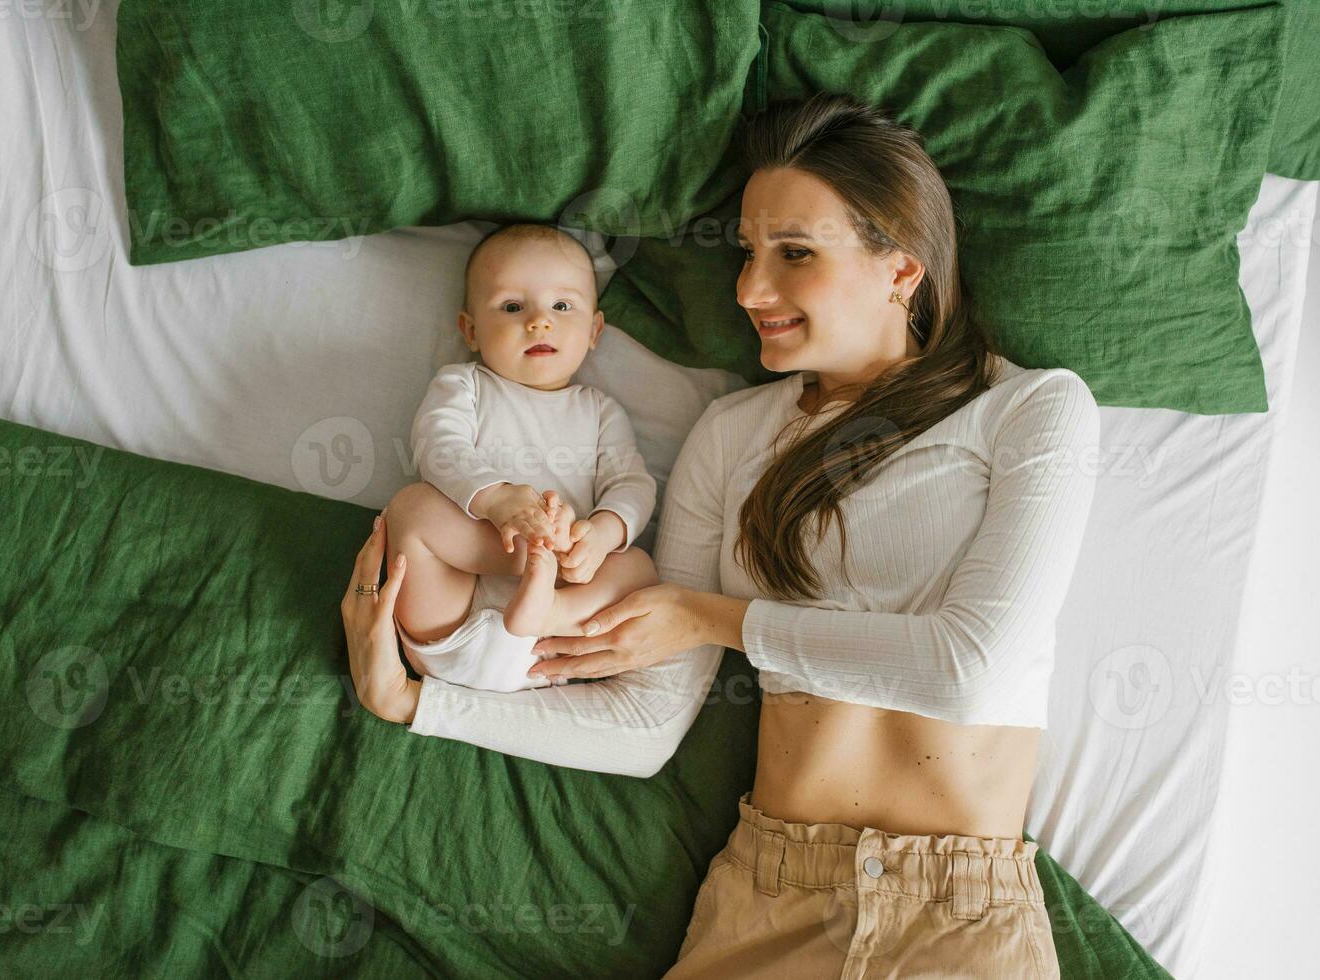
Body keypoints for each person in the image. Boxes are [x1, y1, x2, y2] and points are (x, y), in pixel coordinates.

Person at [341, 92, 1099, 976]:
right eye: (745, 253)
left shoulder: (1033, 410)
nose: (748, 289)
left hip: (956, 920)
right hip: (764, 902)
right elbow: (643, 723)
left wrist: (714, 619)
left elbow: (970, 671)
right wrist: (415, 704)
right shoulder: (732, 434)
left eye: (794, 254)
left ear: (902, 267)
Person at [378, 223, 658, 693]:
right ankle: (534, 563)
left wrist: (602, 535)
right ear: (470, 329)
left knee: (640, 568)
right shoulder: (464, 385)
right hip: (452, 623)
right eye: (512, 307)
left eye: (562, 306)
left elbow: (632, 483)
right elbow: (438, 446)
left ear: (593, 331)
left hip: (556, 639)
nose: (538, 321)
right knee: (411, 508)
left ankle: (548, 604)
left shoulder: (600, 411)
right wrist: (496, 501)